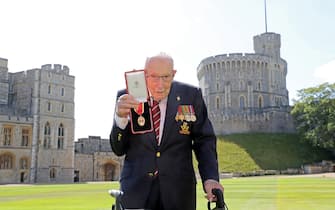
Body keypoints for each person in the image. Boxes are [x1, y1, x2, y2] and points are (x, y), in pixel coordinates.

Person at [110, 52, 224, 210]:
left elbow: (204, 141)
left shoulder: (191, 96)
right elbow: (118, 149)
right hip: (136, 193)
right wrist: (120, 118)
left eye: (166, 77)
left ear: (174, 73)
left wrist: (210, 178)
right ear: (144, 74)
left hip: (179, 193)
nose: (160, 85)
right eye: (154, 77)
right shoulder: (126, 97)